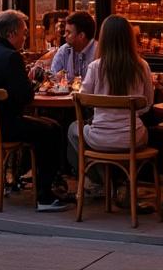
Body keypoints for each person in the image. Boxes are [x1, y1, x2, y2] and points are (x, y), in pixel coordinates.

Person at [0, 10, 69, 212]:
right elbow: (26, 98)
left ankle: (25, 176)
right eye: (24, 33)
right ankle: (45, 196)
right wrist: (34, 80)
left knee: (44, 127)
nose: (25, 37)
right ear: (11, 34)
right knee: (52, 130)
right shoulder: (10, 57)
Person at [66, 15, 155, 201]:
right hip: (133, 137)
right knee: (140, 134)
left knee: (73, 129)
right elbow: (147, 104)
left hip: (100, 137)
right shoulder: (142, 66)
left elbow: (83, 99)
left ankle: (101, 181)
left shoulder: (95, 67)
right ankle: (123, 183)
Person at [49, 12, 97, 79]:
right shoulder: (65, 50)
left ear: (81, 36)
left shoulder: (98, 52)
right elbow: (52, 76)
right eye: (65, 32)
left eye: (69, 32)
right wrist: (56, 77)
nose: (65, 35)